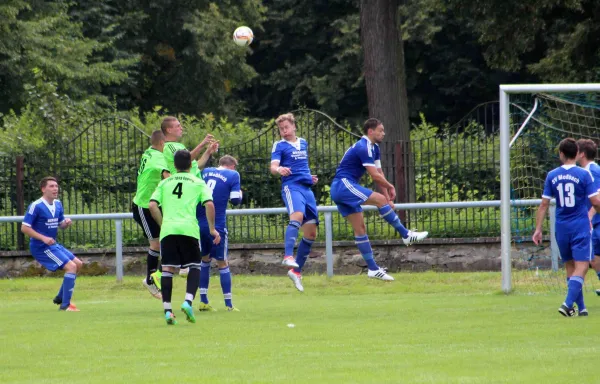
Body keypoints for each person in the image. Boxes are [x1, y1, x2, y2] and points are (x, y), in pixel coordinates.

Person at [330, 118, 428, 281]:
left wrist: (388, 198)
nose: (383, 133)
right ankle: (405, 234)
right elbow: (374, 175)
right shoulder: (364, 146)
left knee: (360, 229)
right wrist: (389, 188)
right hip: (343, 185)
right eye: (380, 130)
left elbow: (379, 174)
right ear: (370, 131)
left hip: (342, 189)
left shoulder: (374, 148)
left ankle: (373, 269)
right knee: (379, 200)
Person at [149, 149, 220, 325]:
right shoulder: (197, 181)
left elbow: (152, 205)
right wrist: (212, 229)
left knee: (167, 270)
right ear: (191, 164)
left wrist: (163, 223)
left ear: (174, 165)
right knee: (195, 266)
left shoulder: (165, 183)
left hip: (168, 230)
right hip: (188, 229)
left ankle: (168, 312)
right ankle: (188, 301)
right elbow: (209, 204)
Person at [533, 138, 600, 317]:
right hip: (580, 225)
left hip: (561, 226)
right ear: (576, 152)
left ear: (561, 154)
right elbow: (595, 201)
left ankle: (582, 308)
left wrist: (538, 229)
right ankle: (567, 303)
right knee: (583, 266)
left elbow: (544, 205)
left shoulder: (552, 175)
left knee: (570, 265)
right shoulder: (584, 174)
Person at [270, 113, 319, 292]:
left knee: (311, 233)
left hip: (307, 188)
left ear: (294, 126)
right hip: (292, 187)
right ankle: (288, 255)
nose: (284, 131)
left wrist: (309, 177)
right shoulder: (279, 145)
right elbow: (273, 166)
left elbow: (302, 165)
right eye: (281, 129)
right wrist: (279, 169)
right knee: (296, 215)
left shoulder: (303, 142)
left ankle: (296, 272)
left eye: (286, 127)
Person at [160, 115, 214, 277]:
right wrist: (202, 143)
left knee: (192, 228)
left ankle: (187, 264)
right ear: (169, 129)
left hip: (192, 192)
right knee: (186, 227)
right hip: (184, 192)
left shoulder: (180, 147)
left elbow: (196, 164)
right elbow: (186, 158)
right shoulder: (169, 147)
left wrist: (208, 151)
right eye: (177, 126)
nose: (181, 128)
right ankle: (180, 265)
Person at [21, 177, 83, 311]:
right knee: (71, 267)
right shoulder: (36, 206)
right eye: (51, 186)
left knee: (78, 264)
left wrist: (65, 223)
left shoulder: (58, 204)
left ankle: (60, 297)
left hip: (52, 244)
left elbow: (60, 224)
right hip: (41, 247)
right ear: (43, 189)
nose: (55, 188)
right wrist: (43, 238)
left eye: (56, 186)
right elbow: (24, 228)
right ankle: (66, 306)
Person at [196, 154, 242, 311]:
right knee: (222, 262)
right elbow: (236, 200)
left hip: (200, 222)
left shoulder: (205, 171)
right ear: (232, 166)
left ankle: (203, 301)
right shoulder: (233, 175)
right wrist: (239, 193)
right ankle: (228, 304)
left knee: (204, 260)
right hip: (217, 225)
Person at [132, 130, 170, 299]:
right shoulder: (159, 158)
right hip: (145, 205)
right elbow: (168, 177)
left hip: (154, 204)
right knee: (157, 244)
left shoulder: (149, 151)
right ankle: (150, 280)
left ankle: (157, 277)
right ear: (162, 143)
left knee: (167, 240)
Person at [576, 139, 600, 299]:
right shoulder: (590, 169)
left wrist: (590, 214)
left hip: (597, 220)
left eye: (577, 150)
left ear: (582, 154)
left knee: (591, 256)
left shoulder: (591, 170)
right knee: (594, 256)